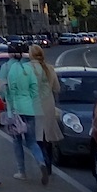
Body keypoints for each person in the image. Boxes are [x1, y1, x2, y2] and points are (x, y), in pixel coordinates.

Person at [0, 42, 49, 184]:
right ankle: (41, 162)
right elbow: (34, 89)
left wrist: (7, 101)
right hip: (29, 108)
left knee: (17, 141)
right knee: (32, 141)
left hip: (15, 109)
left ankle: (22, 171)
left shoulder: (7, 68)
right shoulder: (29, 69)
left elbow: (4, 89)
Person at [29, 44, 62, 176]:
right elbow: (57, 88)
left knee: (35, 136)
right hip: (48, 104)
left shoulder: (28, 69)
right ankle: (48, 167)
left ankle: (42, 161)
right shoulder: (49, 68)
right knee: (46, 136)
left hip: (33, 104)